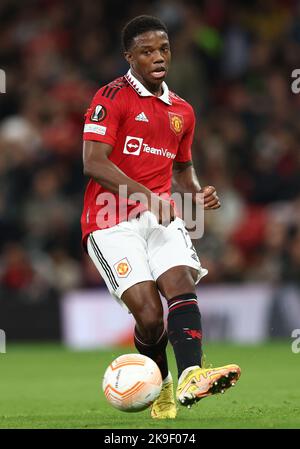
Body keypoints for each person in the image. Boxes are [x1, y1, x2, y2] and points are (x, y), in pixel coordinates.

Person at [81, 15, 241, 419]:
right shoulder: (111, 97)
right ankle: (165, 385)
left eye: (164, 49)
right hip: (109, 222)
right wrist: (146, 196)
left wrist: (197, 191)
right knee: (150, 318)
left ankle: (191, 375)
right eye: (147, 51)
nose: (158, 57)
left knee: (181, 282)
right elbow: (94, 163)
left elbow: (183, 169)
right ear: (129, 56)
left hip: (160, 216)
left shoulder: (182, 111)